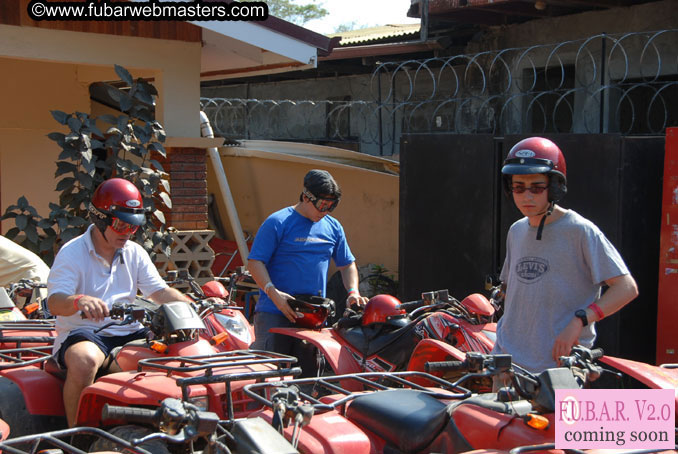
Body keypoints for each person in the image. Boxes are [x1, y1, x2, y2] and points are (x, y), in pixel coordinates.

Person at [47, 178, 194, 427]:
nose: (127, 233)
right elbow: (55, 302)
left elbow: (158, 292)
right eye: (120, 225)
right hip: (84, 333)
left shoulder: (135, 253)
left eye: (133, 227)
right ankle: (78, 436)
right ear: (100, 219)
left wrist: (191, 306)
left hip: (130, 333)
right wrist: (79, 301)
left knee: (174, 357)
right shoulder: (72, 252)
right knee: (85, 361)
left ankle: (166, 430)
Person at [492, 137, 638, 374]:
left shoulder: (580, 231)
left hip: (559, 369)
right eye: (518, 187)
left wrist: (580, 320)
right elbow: (513, 289)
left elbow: (626, 287)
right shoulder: (516, 231)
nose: (526, 196)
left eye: (537, 188)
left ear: (556, 187)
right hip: (507, 364)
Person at [248, 169, 369, 356]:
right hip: (275, 312)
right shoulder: (278, 223)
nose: (326, 211)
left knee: (309, 377)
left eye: (332, 206)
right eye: (322, 205)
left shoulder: (333, 227)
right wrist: (273, 292)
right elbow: (255, 262)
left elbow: (346, 264)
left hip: (312, 315)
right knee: (271, 374)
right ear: (306, 197)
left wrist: (353, 292)